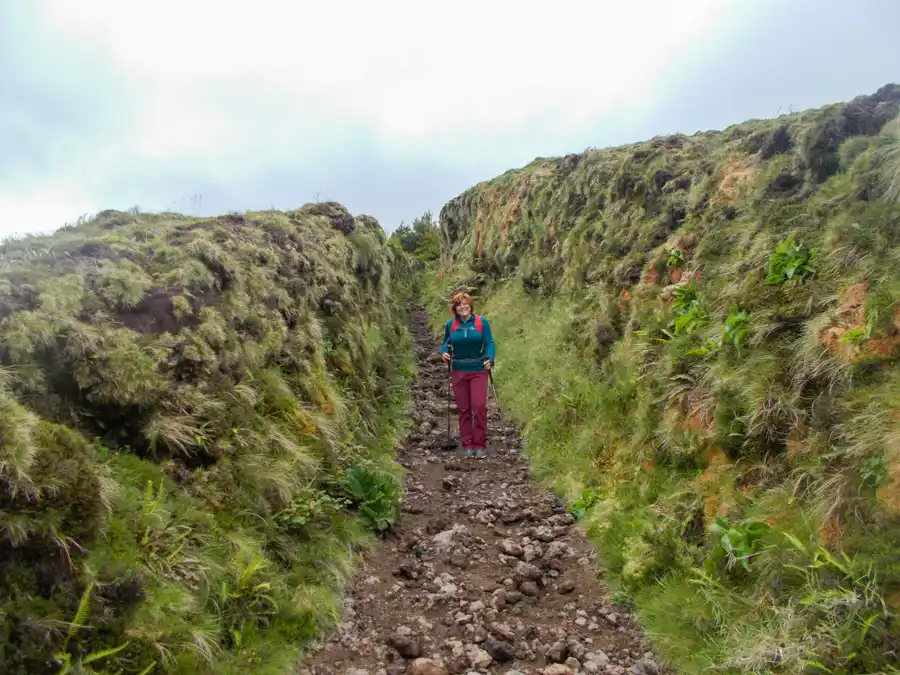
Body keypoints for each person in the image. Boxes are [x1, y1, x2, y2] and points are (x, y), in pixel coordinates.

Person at [440, 291, 496, 458]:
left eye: (465, 303)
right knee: (464, 409)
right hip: (458, 370)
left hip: (478, 369)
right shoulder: (451, 325)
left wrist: (490, 359)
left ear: (470, 305)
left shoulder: (481, 322)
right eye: (459, 304)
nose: (462, 307)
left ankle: (480, 444)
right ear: (455, 308)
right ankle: (467, 444)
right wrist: (444, 353)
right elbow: (445, 344)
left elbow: (490, 342)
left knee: (479, 407)